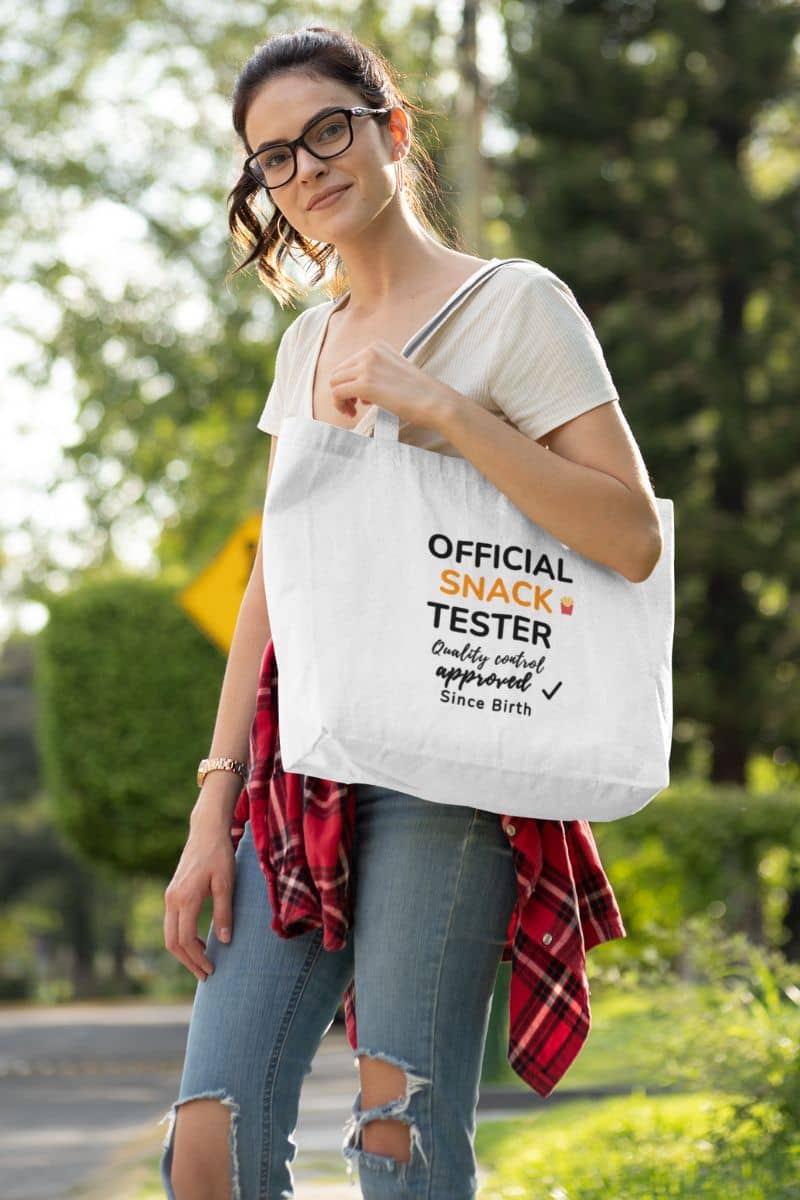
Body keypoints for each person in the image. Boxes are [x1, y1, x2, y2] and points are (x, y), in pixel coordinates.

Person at [159, 23, 661, 1200]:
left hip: (453, 763)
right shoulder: (306, 344)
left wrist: (445, 414)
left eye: (326, 132)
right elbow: (275, 578)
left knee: (400, 1142)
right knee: (206, 1148)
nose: (305, 171)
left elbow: (629, 537)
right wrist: (210, 804)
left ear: (389, 128)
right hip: (297, 773)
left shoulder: (515, 306)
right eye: (272, 159)